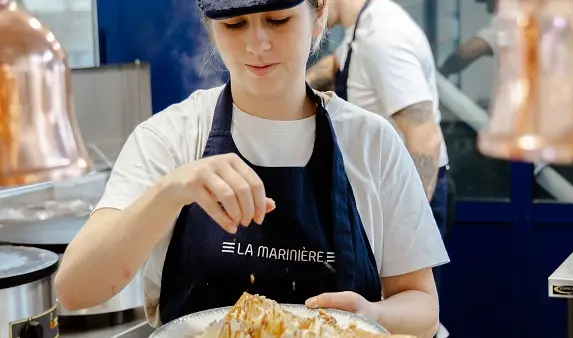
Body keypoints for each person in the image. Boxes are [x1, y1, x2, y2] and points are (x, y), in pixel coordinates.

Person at [55, 0, 449, 336]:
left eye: (278, 20)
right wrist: (170, 191)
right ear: (211, 29)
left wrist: (371, 317)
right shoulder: (169, 139)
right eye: (234, 24)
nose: (257, 43)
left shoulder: (371, 143)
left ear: (317, 14)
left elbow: (422, 307)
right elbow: (75, 289)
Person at [307, 0, 450, 252]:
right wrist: (294, 86)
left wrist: (405, 226)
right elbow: (336, 66)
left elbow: (425, 137)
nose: (307, 13)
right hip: (378, 192)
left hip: (402, 199)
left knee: (404, 291)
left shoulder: (383, 36)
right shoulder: (361, 28)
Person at [439, 0, 498, 77]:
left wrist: (442, 72)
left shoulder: (507, 23)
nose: (487, 10)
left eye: (488, 2)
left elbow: (465, 53)